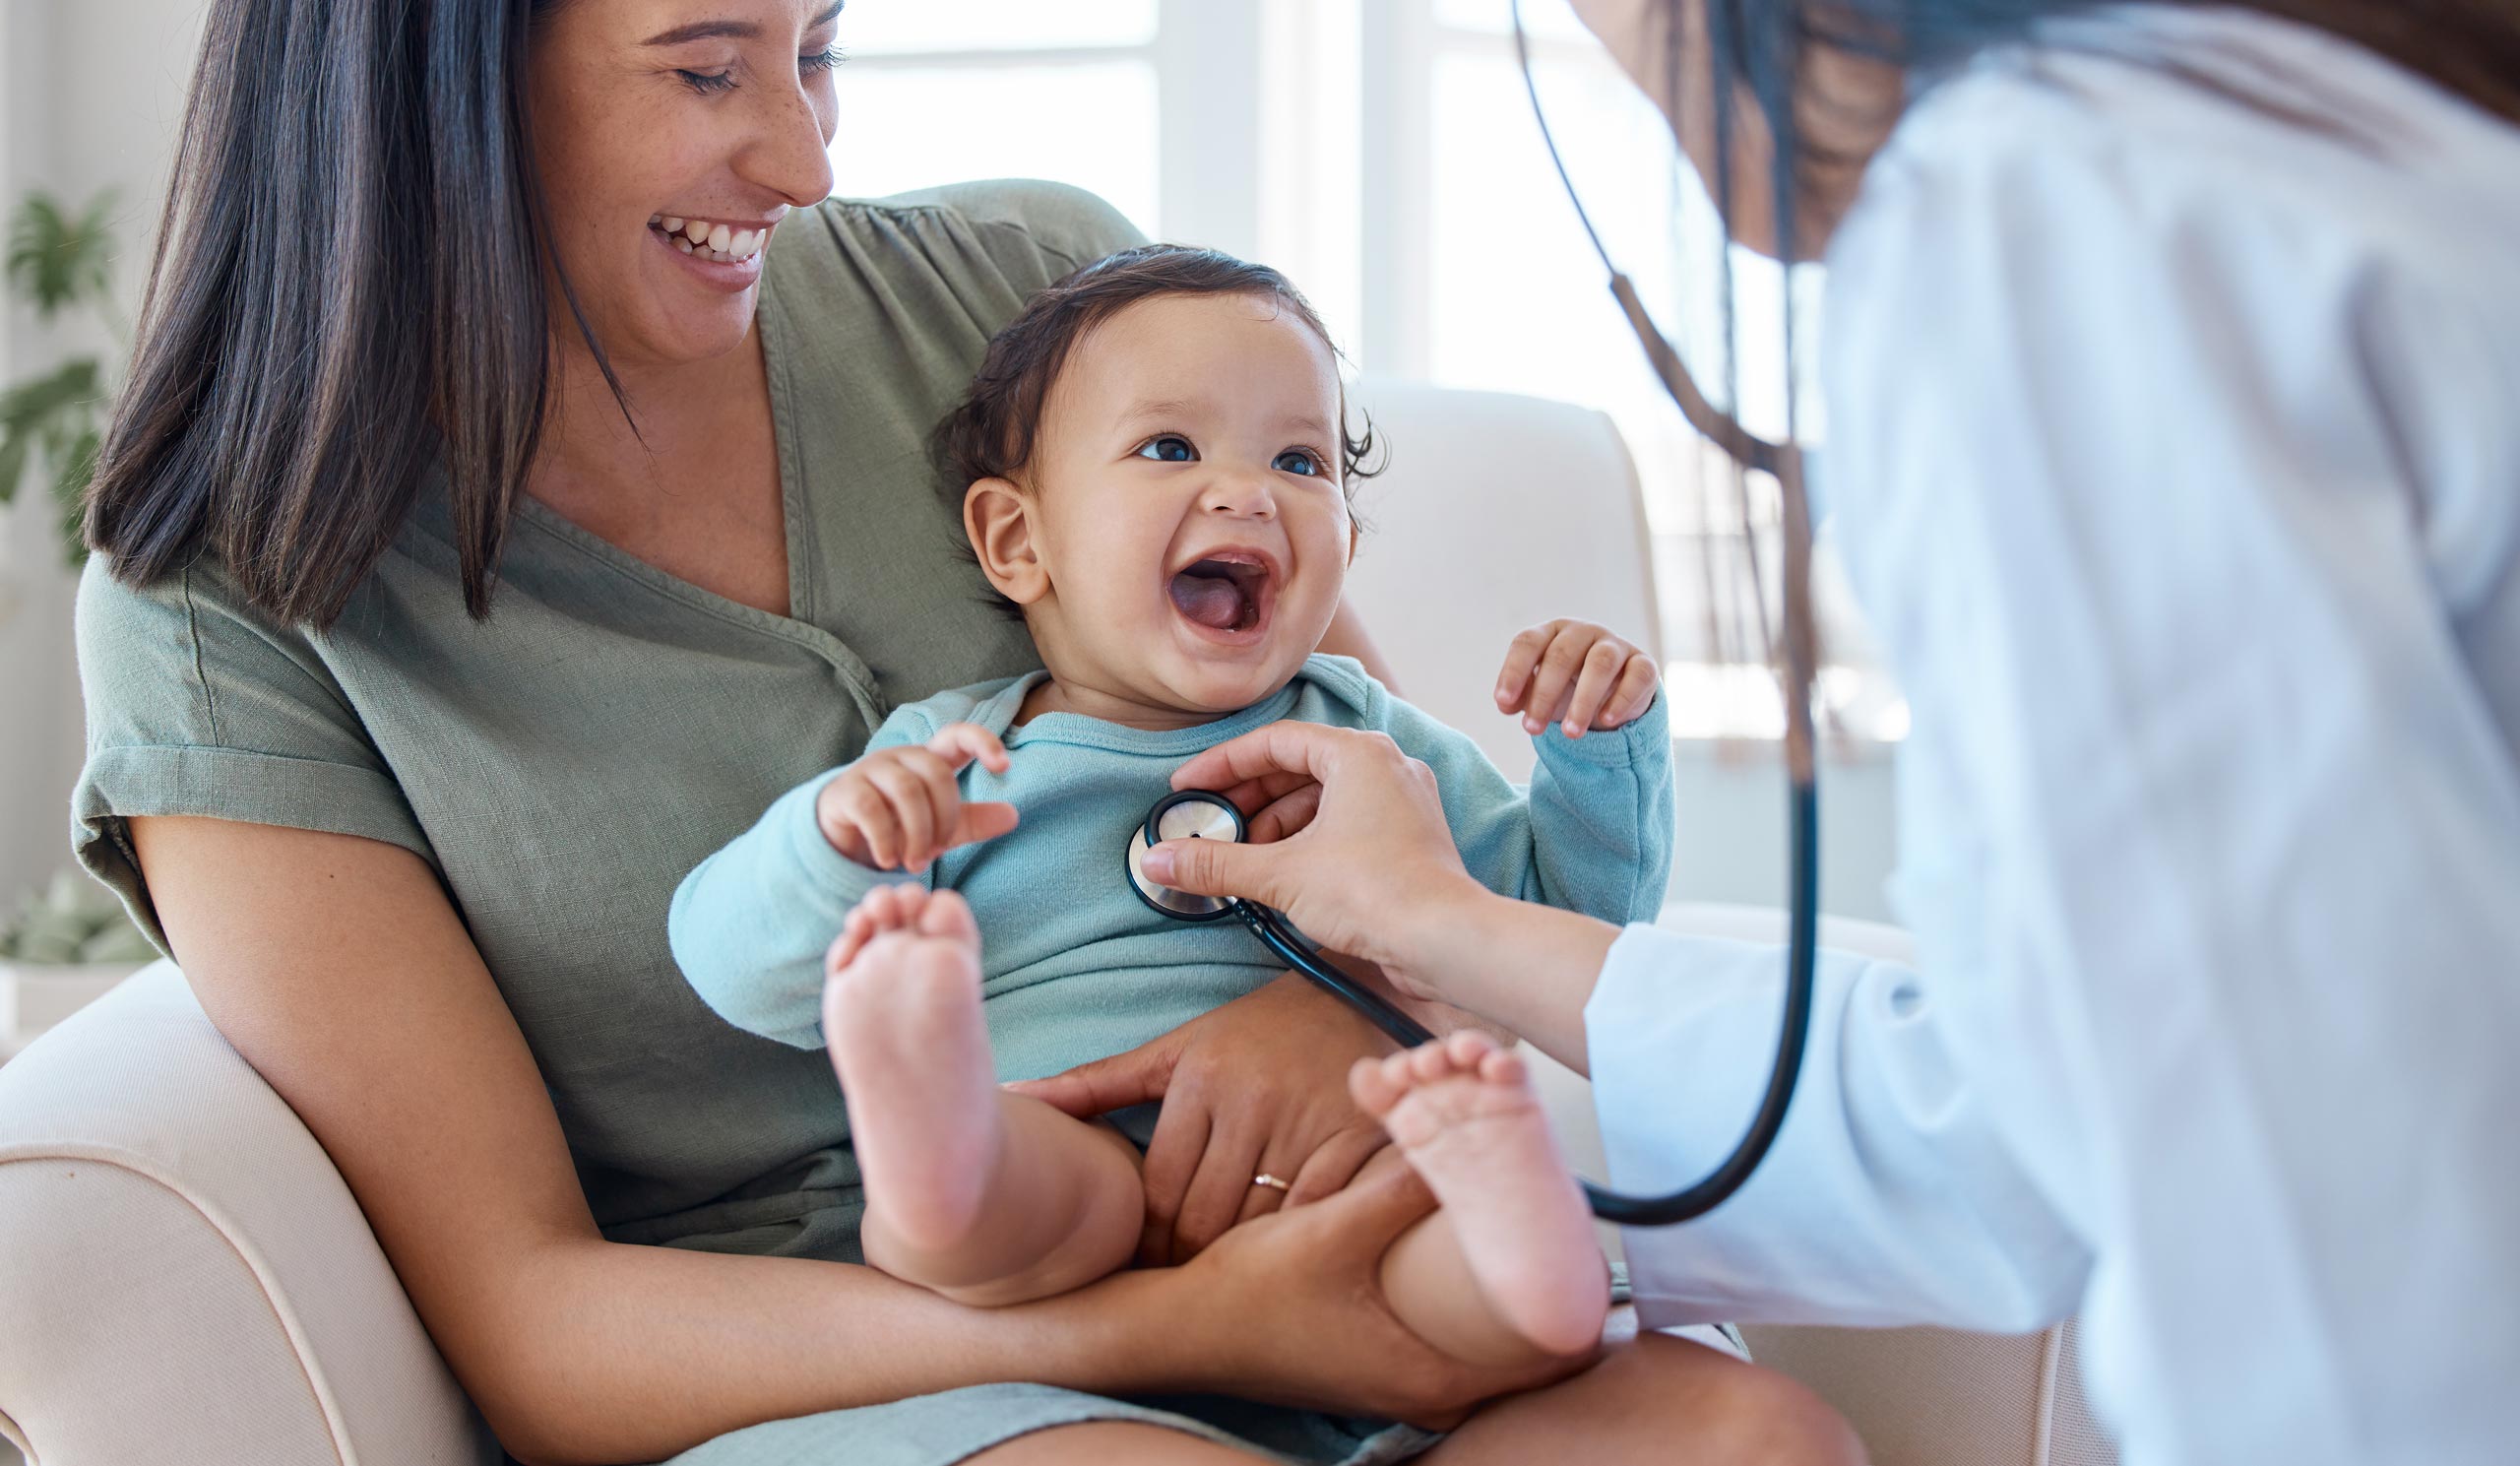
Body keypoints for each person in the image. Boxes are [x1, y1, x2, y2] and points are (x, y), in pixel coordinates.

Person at [63, 0, 1860, 1462]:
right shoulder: (221, 616)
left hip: (1326, 1230)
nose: (804, 157)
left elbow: (1369, 805)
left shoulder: (1036, 289)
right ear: (434, 77)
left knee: (1745, 1440)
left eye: (819, 48)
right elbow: (539, 1322)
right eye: (707, 65)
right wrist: (1170, 1325)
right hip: (846, 1368)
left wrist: (1349, 1028)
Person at [1095, 3, 2520, 1464]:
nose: (1641, 88)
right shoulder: (2296, 136)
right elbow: (2059, 1102)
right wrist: (1438, 926)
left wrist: (1471, 896)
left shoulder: (2056, 211)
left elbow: (2306, 1199)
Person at [669, 243, 1669, 1368]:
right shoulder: (959, 758)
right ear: (1018, 541)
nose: (1249, 490)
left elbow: (1557, 929)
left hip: (1349, 1164)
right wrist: (832, 845)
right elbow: (733, 969)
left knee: (1459, 1278)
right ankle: (936, 1125)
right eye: (1168, 446)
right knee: (986, 1211)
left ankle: (1523, 1244)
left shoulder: (1369, 741)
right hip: (1068, 1141)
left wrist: (1594, 752)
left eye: (1301, 459)